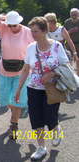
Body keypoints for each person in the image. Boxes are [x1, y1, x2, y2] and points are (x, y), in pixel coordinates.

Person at [14, 17, 67, 160]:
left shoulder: (56, 46)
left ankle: (56, 129)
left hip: (52, 88)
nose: (33, 34)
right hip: (33, 88)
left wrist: (52, 72)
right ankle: (41, 147)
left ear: (45, 31)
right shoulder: (31, 47)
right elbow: (25, 70)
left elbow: (65, 66)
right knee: (36, 118)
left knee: (50, 118)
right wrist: (19, 88)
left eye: (36, 31)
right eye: (31, 31)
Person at [0, 11, 34, 139]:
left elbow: (33, 48)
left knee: (17, 100)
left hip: (22, 72)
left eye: (14, 25)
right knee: (4, 100)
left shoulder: (27, 32)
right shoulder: (4, 28)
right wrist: (7, 19)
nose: (12, 28)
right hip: (5, 70)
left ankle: (14, 124)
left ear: (19, 22)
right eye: (10, 25)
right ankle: (14, 110)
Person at [64, 8, 79, 75]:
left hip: (78, 44)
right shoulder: (67, 22)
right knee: (69, 60)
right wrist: (70, 31)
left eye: (75, 15)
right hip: (69, 43)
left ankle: (78, 76)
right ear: (70, 15)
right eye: (72, 15)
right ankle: (70, 76)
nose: (74, 17)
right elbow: (63, 34)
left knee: (78, 61)